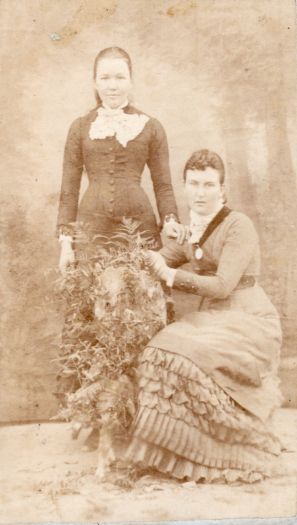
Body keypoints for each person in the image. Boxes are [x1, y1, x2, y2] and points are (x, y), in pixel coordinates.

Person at [126, 149, 283, 483]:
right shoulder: (189, 230)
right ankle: (176, 453)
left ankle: (228, 452)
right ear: (184, 186)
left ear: (221, 189)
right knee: (158, 352)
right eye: (193, 184)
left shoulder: (238, 225)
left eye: (208, 185)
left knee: (182, 358)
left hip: (248, 317)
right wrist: (141, 258)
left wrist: (170, 276)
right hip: (212, 319)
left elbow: (224, 286)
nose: (200, 192)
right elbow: (160, 258)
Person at [57, 46, 185, 273]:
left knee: (142, 298)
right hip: (91, 230)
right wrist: (66, 244)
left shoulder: (151, 126)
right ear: (95, 82)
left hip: (139, 227)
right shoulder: (79, 127)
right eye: (105, 78)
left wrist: (170, 219)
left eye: (120, 77)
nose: (112, 85)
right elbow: (69, 192)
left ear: (131, 81)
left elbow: (163, 186)